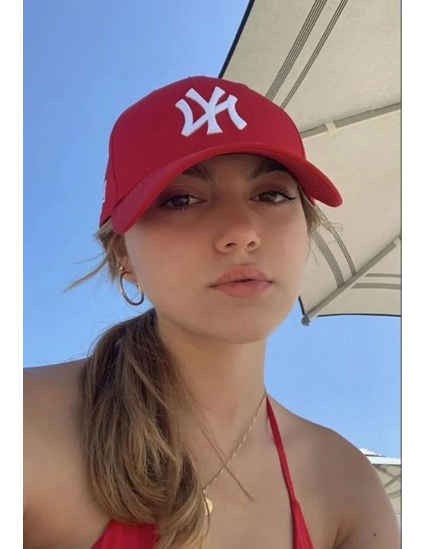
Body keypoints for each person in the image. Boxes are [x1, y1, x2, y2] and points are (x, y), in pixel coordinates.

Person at [24, 76, 400, 549]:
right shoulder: (24, 426)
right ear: (122, 254)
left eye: (271, 194)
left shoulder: (345, 484)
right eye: (181, 200)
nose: (242, 231)